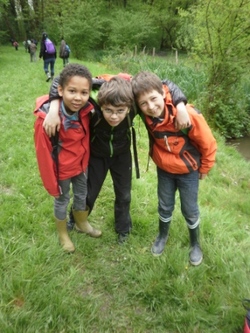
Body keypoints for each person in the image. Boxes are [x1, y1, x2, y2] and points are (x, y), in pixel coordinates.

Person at [43, 73, 191, 244]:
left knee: (124, 194)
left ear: (129, 106)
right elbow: (61, 79)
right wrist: (54, 110)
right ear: (102, 104)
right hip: (97, 154)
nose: (114, 117)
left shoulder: (133, 102)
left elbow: (165, 83)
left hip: (122, 154)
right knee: (89, 194)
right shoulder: (93, 101)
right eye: (109, 111)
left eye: (120, 111)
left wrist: (180, 107)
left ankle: (123, 229)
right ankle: (75, 219)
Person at [131, 71, 217, 265]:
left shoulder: (188, 114)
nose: (150, 107)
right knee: (164, 205)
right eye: (143, 104)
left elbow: (209, 143)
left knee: (190, 209)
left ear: (163, 92)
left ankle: (195, 244)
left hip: (188, 172)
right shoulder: (147, 116)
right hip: (164, 170)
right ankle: (162, 236)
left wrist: (204, 168)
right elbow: (120, 79)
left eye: (153, 99)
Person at [34, 63, 102, 253]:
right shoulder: (47, 119)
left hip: (81, 166)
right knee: (62, 200)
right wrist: (51, 183)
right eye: (72, 91)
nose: (78, 98)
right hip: (61, 171)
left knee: (81, 196)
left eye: (84, 92)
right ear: (60, 90)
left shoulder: (86, 110)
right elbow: (42, 154)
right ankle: (63, 234)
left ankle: (82, 223)